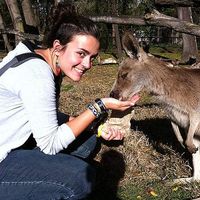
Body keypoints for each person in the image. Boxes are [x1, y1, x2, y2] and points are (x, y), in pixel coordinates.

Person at [0, 2, 138, 200]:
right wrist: (100, 106)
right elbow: (50, 144)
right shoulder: (37, 75)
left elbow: (41, 112)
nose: (87, 64)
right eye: (81, 54)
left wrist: (96, 128)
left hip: (12, 140)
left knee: (88, 141)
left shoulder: (41, 56)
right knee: (79, 178)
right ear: (58, 47)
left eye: (92, 57)